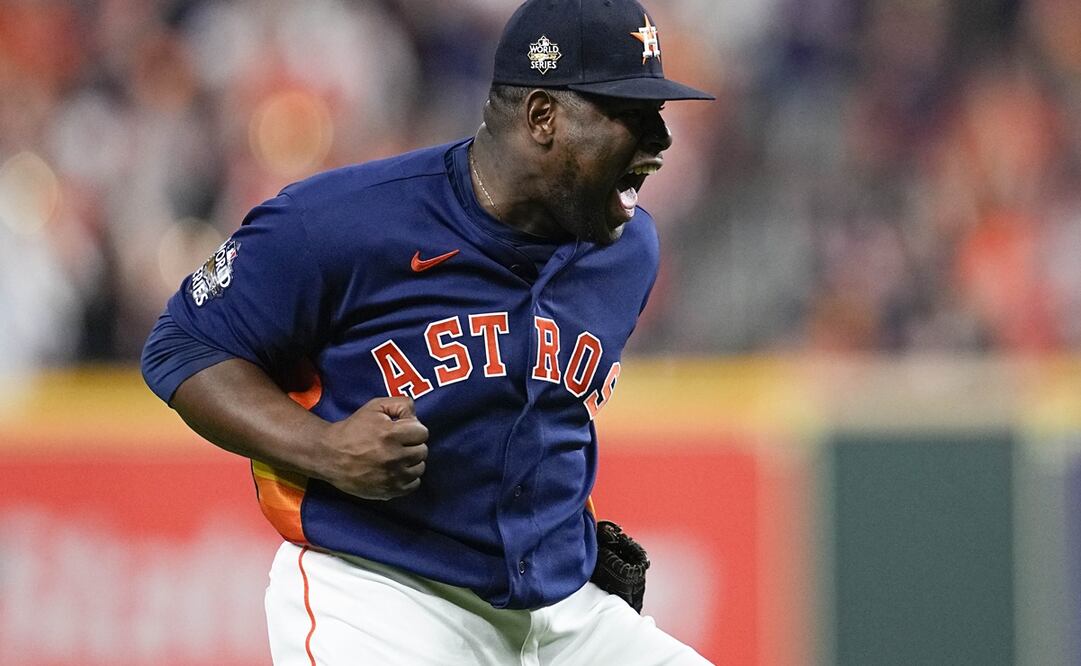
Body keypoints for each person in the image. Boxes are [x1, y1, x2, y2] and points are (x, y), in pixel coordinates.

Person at [141, 0, 714, 662]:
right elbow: (183, 346)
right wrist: (323, 447)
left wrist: (556, 536)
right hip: (380, 593)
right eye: (629, 117)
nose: (661, 143)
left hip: (559, 613)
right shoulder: (338, 222)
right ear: (541, 117)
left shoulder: (625, 249)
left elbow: (533, 410)